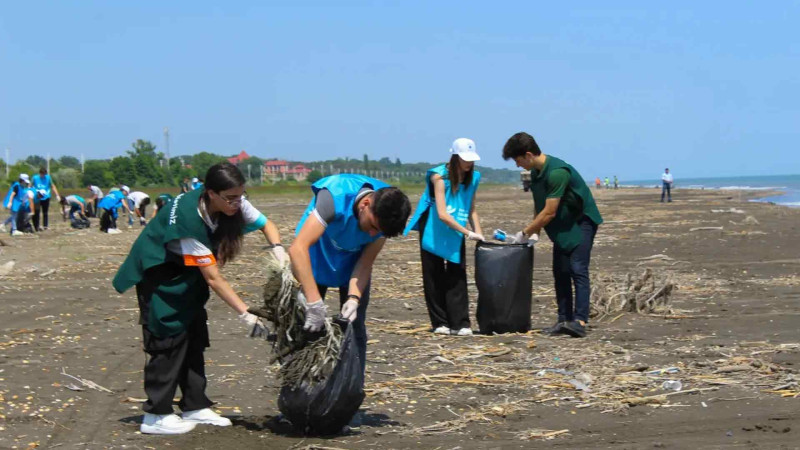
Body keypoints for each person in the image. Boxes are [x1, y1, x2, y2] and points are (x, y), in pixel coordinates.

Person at [112, 162, 287, 435]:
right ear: (210, 193)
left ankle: (195, 405)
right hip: (160, 278)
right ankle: (156, 414)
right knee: (167, 338)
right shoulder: (187, 219)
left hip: (187, 275)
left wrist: (277, 249)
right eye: (230, 198)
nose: (236, 203)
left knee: (194, 335)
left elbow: (267, 224)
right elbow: (214, 278)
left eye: (240, 196)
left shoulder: (234, 202)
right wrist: (245, 313)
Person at [288, 174, 411, 377]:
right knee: (308, 325)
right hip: (317, 255)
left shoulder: (387, 213)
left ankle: (351, 387)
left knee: (354, 326)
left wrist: (354, 298)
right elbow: (298, 249)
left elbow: (364, 263)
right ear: (365, 203)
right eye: (372, 227)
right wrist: (313, 301)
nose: (372, 235)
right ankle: (301, 383)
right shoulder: (334, 196)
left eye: (378, 232)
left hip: (351, 261)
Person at [502, 132, 603, 338]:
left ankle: (580, 321)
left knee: (578, 268)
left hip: (582, 222)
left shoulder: (557, 172)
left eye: (518, 160)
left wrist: (524, 232)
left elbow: (550, 211)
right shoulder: (537, 174)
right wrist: (535, 233)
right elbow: (540, 206)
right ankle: (563, 320)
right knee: (560, 271)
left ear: (528, 155)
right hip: (562, 226)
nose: (518, 165)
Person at [404, 138, 483, 336]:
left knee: (457, 273)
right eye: (465, 159)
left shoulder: (473, 178)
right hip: (434, 226)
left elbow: (471, 208)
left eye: (471, 160)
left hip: (456, 226)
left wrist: (478, 232)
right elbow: (442, 214)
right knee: (434, 274)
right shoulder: (439, 177)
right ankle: (440, 322)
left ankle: (461, 323)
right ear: (455, 157)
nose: (469, 164)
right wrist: (467, 232)